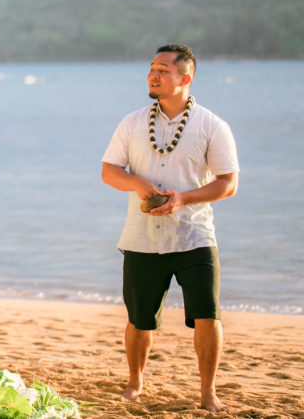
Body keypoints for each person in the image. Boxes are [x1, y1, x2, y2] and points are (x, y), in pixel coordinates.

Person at [101, 44, 239, 413]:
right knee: (138, 318)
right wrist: (138, 184)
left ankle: (208, 392)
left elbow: (228, 183)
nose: (153, 74)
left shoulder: (212, 125)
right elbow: (109, 171)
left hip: (195, 236)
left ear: (186, 78)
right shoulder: (131, 122)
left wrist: (182, 199)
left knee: (208, 315)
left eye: (162, 69)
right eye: (151, 68)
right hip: (141, 237)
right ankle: (135, 383)